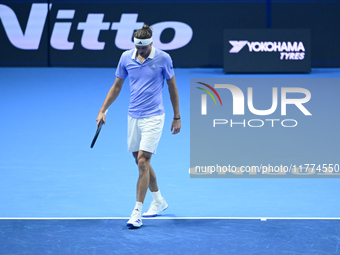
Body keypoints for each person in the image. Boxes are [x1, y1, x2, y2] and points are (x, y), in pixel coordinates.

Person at [96, 25, 181, 228]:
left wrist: (177, 116)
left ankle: (137, 212)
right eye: (137, 47)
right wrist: (103, 110)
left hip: (154, 116)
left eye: (143, 48)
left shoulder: (163, 59)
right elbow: (117, 86)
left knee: (143, 161)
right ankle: (159, 201)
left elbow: (172, 87)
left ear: (151, 43)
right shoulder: (126, 58)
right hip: (133, 116)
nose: (140, 51)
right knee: (139, 161)